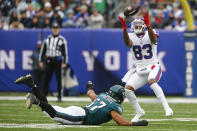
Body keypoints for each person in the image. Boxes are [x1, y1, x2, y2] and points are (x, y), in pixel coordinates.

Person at [14, 74, 148, 126]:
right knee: (53, 114)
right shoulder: (115, 107)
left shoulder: (101, 96)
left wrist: (90, 85)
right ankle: (35, 100)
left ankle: (32, 84)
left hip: (79, 110)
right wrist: (137, 124)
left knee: (48, 109)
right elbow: (120, 121)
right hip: (81, 116)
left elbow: (90, 93)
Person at [118, 11, 173, 122]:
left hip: (153, 66)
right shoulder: (130, 36)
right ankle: (139, 111)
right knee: (127, 89)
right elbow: (127, 43)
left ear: (143, 25)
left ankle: (167, 108)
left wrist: (148, 25)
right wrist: (124, 27)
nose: (136, 26)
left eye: (139, 24)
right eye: (135, 25)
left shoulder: (151, 32)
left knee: (152, 82)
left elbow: (154, 40)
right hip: (140, 69)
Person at [39, 22, 68, 102]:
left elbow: (65, 52)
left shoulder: (62, 40)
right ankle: (43, 96)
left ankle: (59, 97)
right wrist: (41, 60)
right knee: (46, 79)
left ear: (59, 29)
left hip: (58, 60)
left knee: (59, 79)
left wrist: (65, 62)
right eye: (54, 28)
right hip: (49, 60)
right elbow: (43, 50)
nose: (55, 30)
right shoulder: (47, 39)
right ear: (52, 29)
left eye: (56, 28)